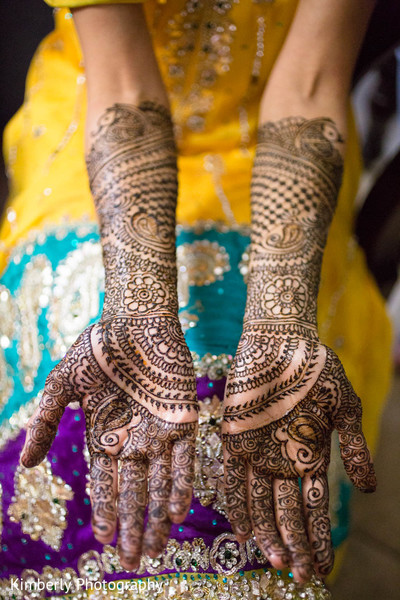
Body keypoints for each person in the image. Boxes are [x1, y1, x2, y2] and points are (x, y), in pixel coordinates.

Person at [0, 1, 392, 599]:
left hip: (279, 152)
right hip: (94, 123)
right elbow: (126, 88)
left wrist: (280, 319)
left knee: (247, 453)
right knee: (82, 438)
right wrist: (137, 312)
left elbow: (311, 84)